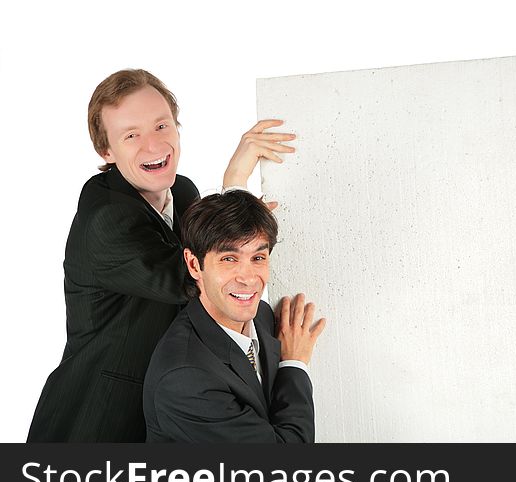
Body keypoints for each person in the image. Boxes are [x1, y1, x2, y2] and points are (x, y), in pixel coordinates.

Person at [28, 69, 296, 442]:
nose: (153, 146)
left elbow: (213, 254)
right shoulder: (105, 220)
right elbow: (195, 279)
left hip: (168, 407)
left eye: (161, 126)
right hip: (97, 421)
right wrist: (236, 182)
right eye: (131, 135)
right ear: (107, 151)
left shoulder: (181, 191)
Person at [143, 190, 325, 442]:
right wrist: (294, 364)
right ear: (194, 265)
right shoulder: (186, 379)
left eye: (258, 258)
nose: (248, 278)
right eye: (229, 259)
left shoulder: (261, 315)